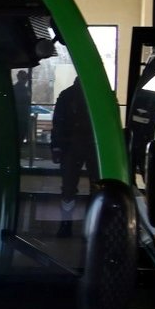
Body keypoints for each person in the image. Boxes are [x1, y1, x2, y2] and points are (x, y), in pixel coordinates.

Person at [51, 77, 94, 231]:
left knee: (68, 187)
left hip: (71, 146)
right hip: (92, 146)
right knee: (96, 186)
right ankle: (92, 224)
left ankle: (66, 223)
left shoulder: (67, 95)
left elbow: (58, 123)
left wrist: (56, 147)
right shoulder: (96, 94)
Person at [13, 70, 33, 147]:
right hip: (22, 117)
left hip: (19, 117)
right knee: (20, 137)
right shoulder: (24, 89)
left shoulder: (15, 88)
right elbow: (26, 101)